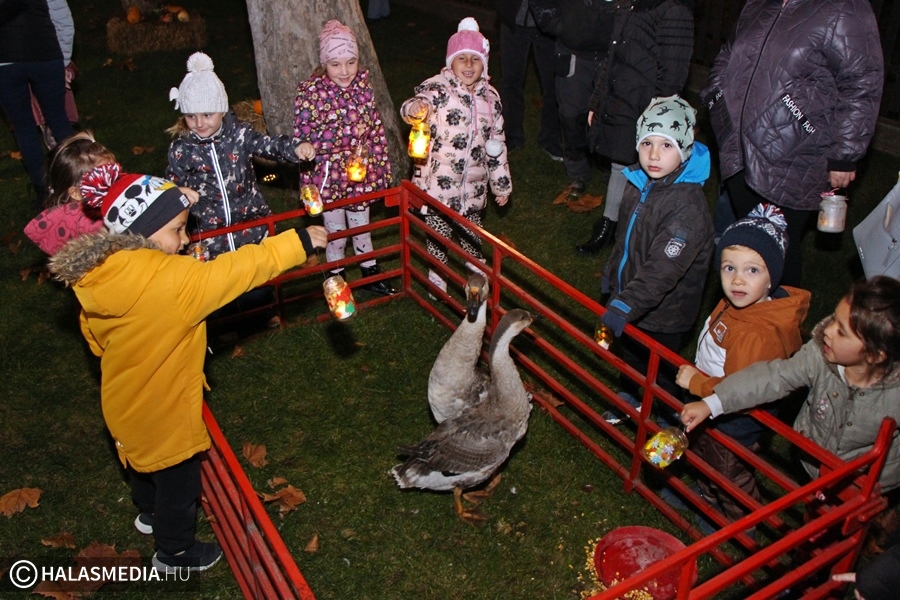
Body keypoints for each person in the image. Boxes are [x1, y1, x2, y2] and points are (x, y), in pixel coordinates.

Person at [48, 161, 327, 573]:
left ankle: (147, 513)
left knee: (143, 464)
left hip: (123, 399)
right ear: (141, 233)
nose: (185, 239)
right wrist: (295, 242)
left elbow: (91, 333)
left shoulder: (101, 274)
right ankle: (174, 551)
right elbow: (237, 270)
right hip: (164, 409)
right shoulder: (174, 282)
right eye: (177, 229)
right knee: (179, 481)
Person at [702, 0, 884, 287]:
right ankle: (740, 322)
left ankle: (778, 322)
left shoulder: (845, 8)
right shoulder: (759, 4)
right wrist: (716, 100)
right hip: (739, 150)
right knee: (743, 244)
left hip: (795, 155)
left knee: (778, 251)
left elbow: (863, 83)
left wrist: (845, 154)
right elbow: (728, 54)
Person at [681, 276, 900, 493]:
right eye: (833, 319)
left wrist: (875, 486)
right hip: (812, 462)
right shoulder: (816, 357)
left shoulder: (895, 396)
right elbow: (770, 377)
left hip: (864, 482)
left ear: (873, 355)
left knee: (846, 526)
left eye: (841, 332)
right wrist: (714, 402)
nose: (828, 331)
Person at [674, 204, 811, 523]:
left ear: (771, 278)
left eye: (752, 270)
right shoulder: (737, 303)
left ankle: (743, 522)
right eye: (728, 268)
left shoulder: (755, 333)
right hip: (711, 404)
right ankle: (708, 496)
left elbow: (741, 390)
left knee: (728, 471)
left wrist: (696, 383)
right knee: (704, 454)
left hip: (734, 419)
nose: (737, 280)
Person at [597, 95, 714, 426]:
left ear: (685, 150)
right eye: (647, 142)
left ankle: (665, 417)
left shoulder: (687, 209)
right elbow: (626, 239)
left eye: (666, 145)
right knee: (632, 355)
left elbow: (663, 269)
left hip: (665, 312)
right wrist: (612, 275)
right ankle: (632, 395)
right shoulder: (639, 183)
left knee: (660, 369)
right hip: (631, 299)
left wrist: (625, 302)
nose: (653, 154)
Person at [399, 17, 512, 293]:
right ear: (451, 63)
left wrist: (501, 184)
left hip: (473, 185)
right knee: (439, 235)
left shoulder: (491, 99)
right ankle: (437, 276)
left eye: (475, 59)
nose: (469, 65)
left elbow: (497, 146)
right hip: (439, 184)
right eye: (462, 58)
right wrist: (415, 110)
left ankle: (475, 267)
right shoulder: (438, 89)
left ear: (484, 64)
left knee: (472, 232)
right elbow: (415, 105)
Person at [166, 51, 313, 261]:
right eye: (191, 116)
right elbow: (171, 185)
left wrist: (295, 148)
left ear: (222, 110)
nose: (199, 123)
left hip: (252, 228)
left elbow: (268, 145)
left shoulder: (239, 135)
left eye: (207, 114)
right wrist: (178, 193)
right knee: (223, 288)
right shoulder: (181, 149)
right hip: (209, 237)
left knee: (261, 283)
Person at [577, 0, 694, 254]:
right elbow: (613, 55)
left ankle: (634, 233)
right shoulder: (632, 4)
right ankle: (610, 222)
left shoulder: (674, 10)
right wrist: (597, 100)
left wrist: (655, 120)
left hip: (645, 106)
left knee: (645, 169)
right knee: (620, 163)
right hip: (621, 97)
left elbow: (672, 73)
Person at [293, 19, 396, 297]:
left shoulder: (363, 88)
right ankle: (337, 276)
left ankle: (369, 271)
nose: (345, 71)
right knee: (335, 231)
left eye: (351, 62)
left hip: (359, 174)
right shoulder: (310, 94)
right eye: (336, 64)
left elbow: (375, 130)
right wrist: (309, 182)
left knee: (362, 226)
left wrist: (381, 168)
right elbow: (303, 138)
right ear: (324, 62)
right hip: (329, 178)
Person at [530, 0, 613, 202]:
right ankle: (577, 172)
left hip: (612, 54)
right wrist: (562, 27)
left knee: (610, 114)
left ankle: (610, 168)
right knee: (571, 115)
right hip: (573, 52)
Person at [0, 0, 75, 208]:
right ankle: (81, 178)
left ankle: (44, 190)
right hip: (46, 54)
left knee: (24, 128)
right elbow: (62, 17)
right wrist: (64, 59)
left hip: (5, 62)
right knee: (59, 120)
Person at [23, 131, 115, 256]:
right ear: (77, 193)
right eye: (104, 180)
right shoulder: (93, 224)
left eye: (115, 173)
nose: (116, 182)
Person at [492, 0, 562, 159]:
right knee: (510, 82)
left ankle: (550, 139)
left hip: (549, 24)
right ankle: (511, 136)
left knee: (552, 85)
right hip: (513, 22)